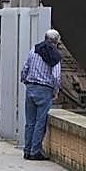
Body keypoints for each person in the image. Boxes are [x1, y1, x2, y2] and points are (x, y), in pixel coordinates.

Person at [20, 28, 62, 161]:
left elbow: (25, 68)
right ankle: (35, 151)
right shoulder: (55, 55)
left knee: (30, 122)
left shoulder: (34, 50)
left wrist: (25, 82)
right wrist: (55, 91)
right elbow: (56, 77)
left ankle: (27, 150)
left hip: (31, 88)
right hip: (45, 90)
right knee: (40, 122)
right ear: (56, 42)